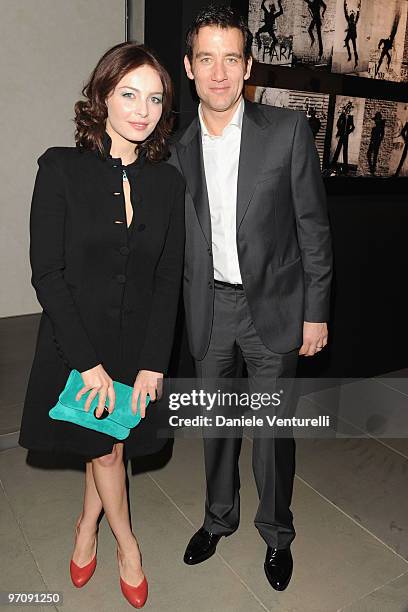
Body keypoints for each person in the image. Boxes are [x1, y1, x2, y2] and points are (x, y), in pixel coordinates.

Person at [168, 5, 332, 593]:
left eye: (230, 58)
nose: (219, 72)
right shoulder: (176, 148)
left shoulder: (286, 132)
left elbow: (313, 228)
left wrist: (316, 311)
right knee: (216, 429)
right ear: (188, 67)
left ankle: (277, 533)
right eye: (206, 59)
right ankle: (218, 520)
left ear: (247, 65)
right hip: (209, 311)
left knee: (270, 436)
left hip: (276, 310)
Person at [19, 42, 185, 609]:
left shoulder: (168, 185)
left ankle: (84, 525)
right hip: (78, 344)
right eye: (129, 94)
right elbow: (47, 273)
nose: (143, 109)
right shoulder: (59, 169)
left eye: (155, 98)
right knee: (109, 451)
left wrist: (154, 361)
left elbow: (168, 278)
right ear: (103, 97)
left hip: (137, 345)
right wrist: (85, 362)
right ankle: (127, 545)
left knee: (107, 445)